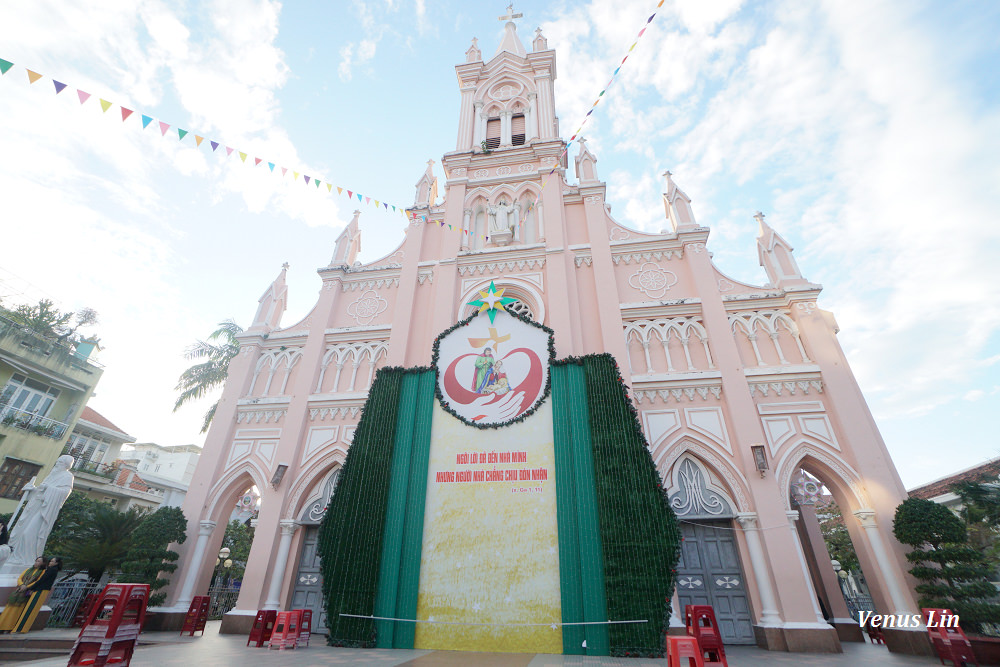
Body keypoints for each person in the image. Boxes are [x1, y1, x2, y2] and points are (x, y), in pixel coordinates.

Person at [7, 455, 75, 567]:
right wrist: (32, 489)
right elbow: (40, 491)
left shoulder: (68, 476)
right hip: (35, 507)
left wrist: (48, 488)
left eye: (59, 462)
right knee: (19, 532)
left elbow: (65, 493)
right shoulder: (51, 475)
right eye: (57, 462)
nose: (56, 464)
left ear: (65, 465)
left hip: (45, 510)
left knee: (28, 533)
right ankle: (14, 557)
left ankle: (25, 559)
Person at [9, 556, 62, 633]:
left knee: (30, 609)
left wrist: (29, 588)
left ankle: (21, 628)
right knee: (31, 609)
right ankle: (22, 628)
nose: (50, 562)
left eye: (52, 561)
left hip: (41, 590)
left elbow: (41, 580)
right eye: (50, 561)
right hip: (41, 590)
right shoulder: (52, 570)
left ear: (56, 563)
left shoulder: (52, 570)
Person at [0, 557, 45, 632]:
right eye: (36, 561)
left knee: (16, 612)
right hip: (19, 591)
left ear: (43, 563)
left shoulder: (42, 572)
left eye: (39, 561)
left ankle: (9, 627)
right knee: (9, 609)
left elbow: (38, 581)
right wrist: (22, 585)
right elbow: (20, 578)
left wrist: (27, 587)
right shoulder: (28, 570)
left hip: (26, 594)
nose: (36, 563)